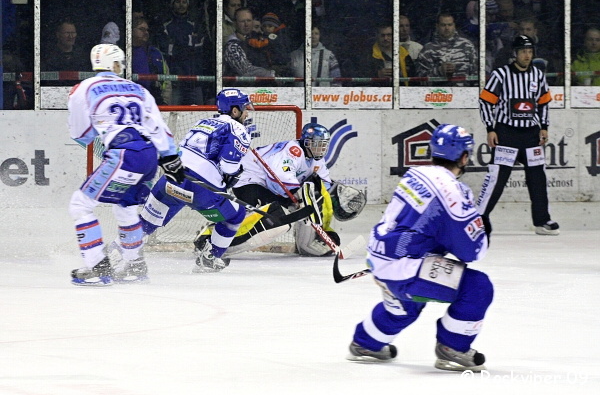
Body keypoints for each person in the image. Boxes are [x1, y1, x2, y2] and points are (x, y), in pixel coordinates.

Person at [346, 124, 492, 372]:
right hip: (405, 266)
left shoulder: (415, 174)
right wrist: (482, 229)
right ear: (465, 157)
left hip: (380, 256)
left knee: (405, 307)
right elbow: (473, 252)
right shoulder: (454, 192)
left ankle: (366, 343)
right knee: (478, 287)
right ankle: (453, 348)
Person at [68, 44, 183, 286]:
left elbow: (81, 134)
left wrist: (100, 132)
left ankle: (97, 267)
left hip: (124, 153)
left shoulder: (85, 88)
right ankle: (134, 266)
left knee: (80, 204)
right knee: (126, 206)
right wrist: (170, 157)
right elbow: (158, 126)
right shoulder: (138, 89)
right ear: (115, 64)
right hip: (149, 154)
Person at [139, 88, 252, 273]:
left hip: (172, 178)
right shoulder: (238, 129)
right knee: (236, 215)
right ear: (235, 110)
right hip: (201, 188)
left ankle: (117, 252)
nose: (247, 113)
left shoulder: (202, 122)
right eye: (245, 108)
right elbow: (228, 166)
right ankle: (210, 259)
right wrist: (236, 173)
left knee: (146, 223)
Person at [215, 123, 366, 257]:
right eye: (316, 144)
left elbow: (323, 186)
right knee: (273, 218)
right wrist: (297, 196)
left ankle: (307, 241)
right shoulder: (294, 150)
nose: (320, 149)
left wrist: (332, 198)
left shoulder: (317, 160)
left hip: (267, 185)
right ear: (306, 142)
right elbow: (279, 176)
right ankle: (216, 239)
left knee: (298, 209)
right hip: (249, 180)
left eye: (323, 145)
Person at [477, 35, 559, 236]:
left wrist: (544, 126)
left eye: (530, 51)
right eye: (523, 51)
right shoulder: (501, 75)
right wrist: (490, 129)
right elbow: (485, 101)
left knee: (537, 178)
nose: (527, 55)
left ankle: (542, 221)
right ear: (515, 53)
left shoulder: (537, 75)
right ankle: (479, 219)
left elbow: (543, 102)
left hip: (531, 134)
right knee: (497, 178)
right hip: (507, 133)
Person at [157, 0, 210, 105]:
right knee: (173, 112)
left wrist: (179, 45)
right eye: (178, 2)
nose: (181, 5)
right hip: (175, 81)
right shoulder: (166, 26)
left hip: (194, 81)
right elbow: (168, 52)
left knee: (200, 112)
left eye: (184, 2)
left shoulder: (195, 25)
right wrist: (187, 46)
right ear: (172, 4)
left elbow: (198, 50)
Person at [416, 13, 478, 87]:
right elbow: (421, 80)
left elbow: (477, 74)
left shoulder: (467, 46)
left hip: (465, 91)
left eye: (450, 25)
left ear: (454, 25)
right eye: (443, 25)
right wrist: (439, 71)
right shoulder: (428, 49)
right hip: (438, 92)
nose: (447, 28)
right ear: (437, 26)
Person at [224, 8, 276, 80]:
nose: (246, 24)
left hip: (266, 83)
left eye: (249, 20)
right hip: (242, 85)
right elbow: (245, 71)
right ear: (235, 23)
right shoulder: (232, 45)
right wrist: (271, 74)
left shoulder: (259, 38)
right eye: (242, 21)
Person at [361, 22, 415, 87]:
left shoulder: (403, 53)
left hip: (401, 90)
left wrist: (402, 73)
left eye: (389, 35)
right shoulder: (368, 55)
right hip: (378, 91)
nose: (386, 38)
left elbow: (413, 76)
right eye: (382, 35)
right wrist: (377, 75)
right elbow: (360, 77)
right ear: (377, 36)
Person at [132, 16, 171, 105]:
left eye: (147, 30)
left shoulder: (155, 53)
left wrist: (165, 102)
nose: (146, 32)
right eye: (142, 29)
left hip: (154, 102)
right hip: (132, 101)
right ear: (131, 31)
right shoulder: (124, 53)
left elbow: (167, 79)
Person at [42, 19, 89, 86]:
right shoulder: (48, 56)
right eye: (67, 33)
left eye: (73, 33)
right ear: (58, 35)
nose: (71, 36)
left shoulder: (82, 56)